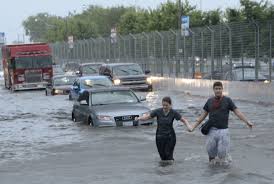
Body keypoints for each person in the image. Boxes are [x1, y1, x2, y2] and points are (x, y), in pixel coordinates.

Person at [191, 81, 253, 164]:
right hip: (211, 131)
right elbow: (202, 116)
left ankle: (223, 171)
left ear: (222, 89)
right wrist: (193, 127)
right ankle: (212, 172)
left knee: (222, 155)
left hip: (223, 131)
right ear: (213, 90)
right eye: (216, 89)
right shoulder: (209, 101)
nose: (218, 90)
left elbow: (237, 112)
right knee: (211, 153)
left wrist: (247, 121)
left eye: (219, 88)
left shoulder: (227, 100)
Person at [135, 96, 192, 163]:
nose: (164, 107)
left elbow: (184, 120)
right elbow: (147, 117)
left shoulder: (173, 112)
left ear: (170, 105)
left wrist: (189, 127)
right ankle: (163, 172)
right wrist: (139, 118)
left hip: (170, 137)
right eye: (163, 105)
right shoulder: (158, 111)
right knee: (162, 157)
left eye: (166, 105)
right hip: (159, 137)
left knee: (169, 156)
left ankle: (170, 171)